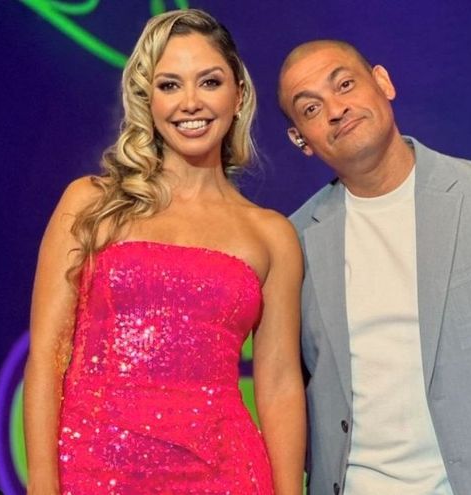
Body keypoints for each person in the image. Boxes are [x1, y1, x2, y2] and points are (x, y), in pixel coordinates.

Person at [278, 40, 471, 495]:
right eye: (311, 108)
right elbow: (289, 390)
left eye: (345, 84)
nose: (336, 109)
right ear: (300, 140)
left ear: (383, 82)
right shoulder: (294, 242)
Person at [23, 9, 305, 495]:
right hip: (91, 472)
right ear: (147, 99)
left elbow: (279, 386)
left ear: (238, 94)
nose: (190, 102)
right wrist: (42, 486)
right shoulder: (90, 202)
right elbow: (48, 356)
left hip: (227, 476)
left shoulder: (272, 235)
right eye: (170, 85)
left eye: (210, 82)